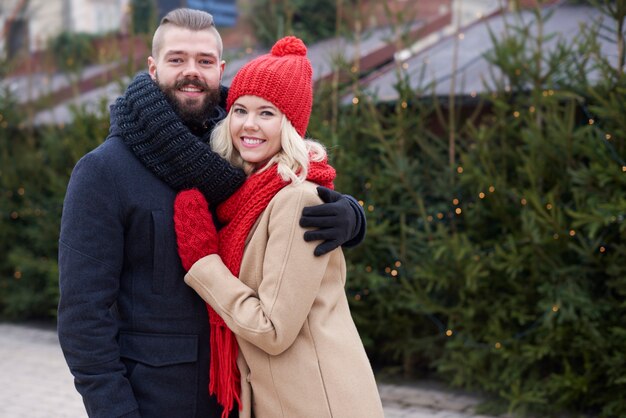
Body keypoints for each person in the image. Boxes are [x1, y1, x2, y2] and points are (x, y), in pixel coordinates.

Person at [57, 9, 366, 418]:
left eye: (204, 61)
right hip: (156, 400)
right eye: (176, 59)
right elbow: (83, 319)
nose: (191, 72)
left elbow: (289, 190)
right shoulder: (104, 171)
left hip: (245, 397)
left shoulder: (235, 153)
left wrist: (350, 216)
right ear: (153, 68)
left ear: (220, 69)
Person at [173, 36, 384, 418]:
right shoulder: (244, 197)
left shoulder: (294, 199)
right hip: (283, 400)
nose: (248, 125)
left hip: (317, 403)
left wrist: (203, 262)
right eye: (239, 110)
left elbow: (272, 330)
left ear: (290, 124)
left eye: (266, 113)